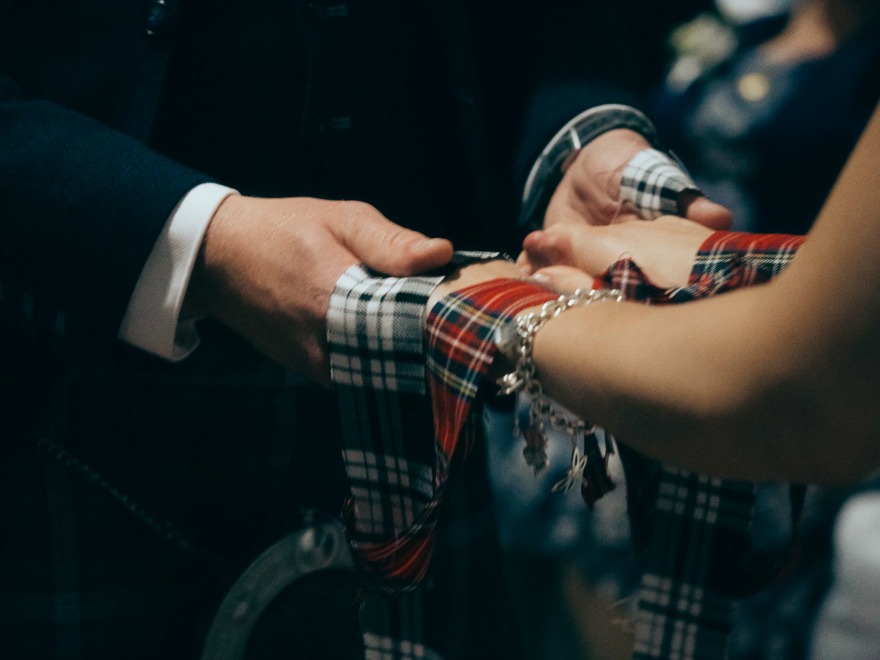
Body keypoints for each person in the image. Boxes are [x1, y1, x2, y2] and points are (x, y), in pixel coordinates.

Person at [1, 2, 709, 658]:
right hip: (66, 394)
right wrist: (199, 238)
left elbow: (543, 30)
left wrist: (578, 137)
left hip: (428, 402)